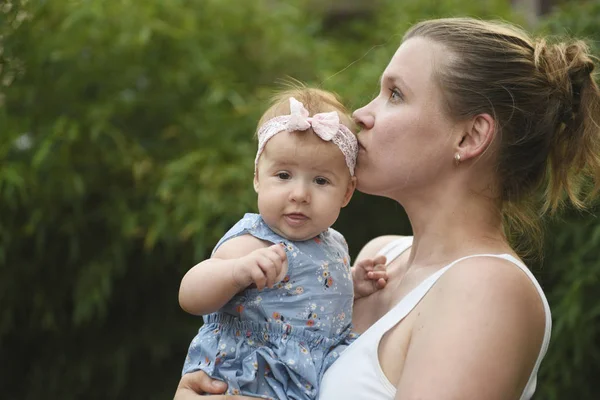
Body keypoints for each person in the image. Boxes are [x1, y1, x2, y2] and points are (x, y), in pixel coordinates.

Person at [174, 17, 600, 400]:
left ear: (470, 137)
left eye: (395, 94)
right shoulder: (380, 259)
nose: (362, 113)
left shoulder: (488, 289)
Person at [178, 87, 388, 399]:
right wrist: (236, 272)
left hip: (305, 379)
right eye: (284, 175)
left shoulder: (336, 244)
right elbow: (190, 295)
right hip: (247, 380)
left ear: (346, 192)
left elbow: (316, 293)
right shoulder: (253, 241)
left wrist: (351, 283)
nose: (299, 194)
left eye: (320, 181)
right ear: (258, 178)